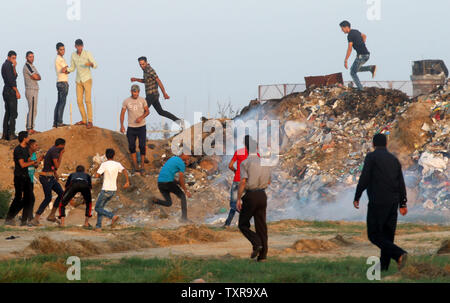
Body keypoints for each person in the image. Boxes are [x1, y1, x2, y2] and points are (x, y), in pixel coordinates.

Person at [353, 133, 408, 271]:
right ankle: (384, 268)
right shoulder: (394, 160)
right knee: (387, 236)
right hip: (393, 203)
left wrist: (357, 196)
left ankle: (400, 254)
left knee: (374, 235)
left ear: (373, 144)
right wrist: (402, 203)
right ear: (386, 144)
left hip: (378, 202)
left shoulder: (371, 157)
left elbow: (365, 178)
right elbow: (401, 183)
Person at [236, 135, 271, 262]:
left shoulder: (245, 162)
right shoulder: (265, 162)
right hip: (262, 195)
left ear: (246, 148)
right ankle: (263, 256)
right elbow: (269, 181)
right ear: (256, 147)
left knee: (243, 224)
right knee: (261, 225)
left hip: (251, 195)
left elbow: (243, 182)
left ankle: (256, 243)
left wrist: (239, 198)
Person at [4, 132, 43, 226]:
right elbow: (22, 164)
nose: (29, 138)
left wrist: (37, 160)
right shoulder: (18, 150)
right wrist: (34, 162)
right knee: (18, 198)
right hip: (19, 177)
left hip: (26, 177)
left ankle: (24, 220)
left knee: (29, 198)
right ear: (24, 138)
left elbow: (28, 160)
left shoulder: (26, 149)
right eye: (28, 137)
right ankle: (9, 217)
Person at [131, 56, 182, 125]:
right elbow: (146, 81)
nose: (141, 66)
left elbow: (158, 81)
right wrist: (136, 79)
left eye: (143, 64)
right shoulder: (145, 71)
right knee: (160, 111)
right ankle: (179, 121)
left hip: (152, 95)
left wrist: (164, 93)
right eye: (140, 64)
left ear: (146, 62)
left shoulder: (150, 70)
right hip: (152, 95)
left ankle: (136, 129)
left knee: (141, 110)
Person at [224, 138, 260, 228]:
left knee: (233, 204)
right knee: (240, 203)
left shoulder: (239, 152)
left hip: (238, 180)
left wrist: (235, 171)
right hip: (248, 181)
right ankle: (227, 224)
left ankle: (248, 216)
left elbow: (230, 165)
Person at [31, 138, 66, 226]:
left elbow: (50, 165)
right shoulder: (55, 151)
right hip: (46, 177)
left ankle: (51, 215)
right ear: (61, 145)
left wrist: (55, 174)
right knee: (48, 198)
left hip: (51, 177)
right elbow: (57, 165)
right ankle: (36, 218)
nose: (64, 148)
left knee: (61, 194)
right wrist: (61, 154)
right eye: (63, 146)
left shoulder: (52, 149)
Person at [94, 148, 130, 231]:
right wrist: (127, 181)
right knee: (101, 207)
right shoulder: (117, 164)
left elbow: (96, 175)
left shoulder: (104, 164)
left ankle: (112, 216)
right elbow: (124, 170)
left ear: (106, 156)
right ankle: (98, 227)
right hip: (113, 190)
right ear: (114, 156)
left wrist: (99, 173)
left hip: (106, 189)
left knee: (97, 208)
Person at [152, 152, 192, 221]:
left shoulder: (173, 158)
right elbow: (181, 178)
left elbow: (169, 174)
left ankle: (154, 200)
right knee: (182, 196)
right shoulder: (181, 163)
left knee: (168, 203)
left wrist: (178, 183)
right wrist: (186, 191)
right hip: (168, 183)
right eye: (188, 156)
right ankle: (184, 218)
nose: (189, 158)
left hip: (160, 183)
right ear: (183, 154)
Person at [67, 39, 97, 129]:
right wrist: (66, 70)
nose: (79, 48)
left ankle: (90, 120)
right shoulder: (73, 55)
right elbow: (72, 67)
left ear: (82, 46)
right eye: (78, 46)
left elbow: (95, 65)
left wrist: (91, 64)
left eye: (81, 46)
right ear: (75, 46)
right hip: (78, 80)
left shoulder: (87, 53)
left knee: (87, 100)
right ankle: (84, 120)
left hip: (87, 79)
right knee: (79, 101)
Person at [120, 85, 149, 174]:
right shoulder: (126, 101)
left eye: (137, 92)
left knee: (142, 146)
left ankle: (142, 166)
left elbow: (147, 111)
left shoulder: (142, 100)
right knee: (132, 146)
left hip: (141, 126)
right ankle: (136, 166)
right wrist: (122, 125)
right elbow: (122, 113)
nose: (135, 93)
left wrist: (141, 117)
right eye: (134, 91)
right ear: (131, 92)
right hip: (131, 127)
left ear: (139, 92)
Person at [340, 20, 377, 91]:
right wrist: (362, 43)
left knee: (352, 72)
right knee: (354, 69)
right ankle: (371, 68)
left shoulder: (350, 35)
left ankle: (361, 89)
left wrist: (346, 60)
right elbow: (364, 35)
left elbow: (349, 49)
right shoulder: (355, 31)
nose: (342, 30)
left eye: (342, 28)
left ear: (346, 27)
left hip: (362, 56)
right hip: (366, 54)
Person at [1, 51, 20, 141]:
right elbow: (11, 80)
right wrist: (17, 91)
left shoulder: (9, 65)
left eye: (15, 58)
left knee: (8, 113)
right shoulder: (7, 65)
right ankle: (11, 134)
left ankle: (5, 134)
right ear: (8, 57)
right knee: (13, 113)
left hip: (7, 91)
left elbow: (15, 76)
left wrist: (14, 67)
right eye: (13, 58)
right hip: (10, 91)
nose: (14, 60)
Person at [23, 51, 41, 134]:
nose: (32, 58)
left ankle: (31, 127)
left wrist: (36, 76)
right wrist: (35, 76)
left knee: (34, 110)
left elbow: (39, 76)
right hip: (31, 89)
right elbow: (35, 76)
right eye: (30, 57)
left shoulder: (32, 66)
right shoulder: (27, 66)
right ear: (26, 57)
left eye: (33, 56)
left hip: (34, 89)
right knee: (32, 109)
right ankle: (30, 128)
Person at [54, 42, 70, 128]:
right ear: (57, 50)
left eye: (64, 49)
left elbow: (66, 69)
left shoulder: (60, 59)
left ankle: (56, 121)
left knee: (59, 102)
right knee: (62, 103)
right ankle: (59, 122)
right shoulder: (59, 59)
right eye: (61, 49)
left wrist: (67, 69)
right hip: (62, 82)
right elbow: (66, 70)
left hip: (60, 82)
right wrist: (68, 69)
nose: (63, 51)